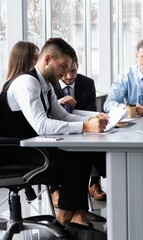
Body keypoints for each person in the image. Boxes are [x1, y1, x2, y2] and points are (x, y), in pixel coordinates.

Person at [0, 38, 108, 236]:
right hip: (15, 153)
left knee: (82, 153)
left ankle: (76, 213)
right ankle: (65, 216)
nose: (66, 73)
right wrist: (85, 126)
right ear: (48, 59)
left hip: (31, 148)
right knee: (77, 158)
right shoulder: (27, 83)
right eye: (63, 66)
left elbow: (62, 115)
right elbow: (42, 125)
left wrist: (95, 117)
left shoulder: (46, 85)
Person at [51, 57, 107, 204]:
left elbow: (91, 112)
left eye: (73, 71)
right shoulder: (50, 83)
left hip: (83, 128)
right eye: (66, 72)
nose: (69, 76)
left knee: (97, 143)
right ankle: (55, 189)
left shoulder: (87, 83)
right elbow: (45, 113)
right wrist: (57, 105)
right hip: (56, 130)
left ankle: (94, 183)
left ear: (78, 66)